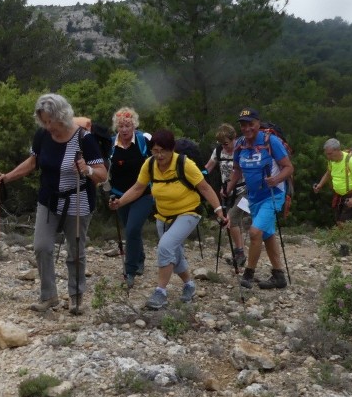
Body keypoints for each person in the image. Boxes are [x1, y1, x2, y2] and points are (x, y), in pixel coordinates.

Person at [0, 93, 107, 314]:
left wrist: (88, 170)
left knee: (75, 252)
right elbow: (32, 162)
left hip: (78, 200)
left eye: (50, 120)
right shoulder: (42, 136)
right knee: (42, 247)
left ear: (61, 116)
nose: (47, 125)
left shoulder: (85, 139)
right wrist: (7, 177)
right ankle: (49, 296)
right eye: (43, 120)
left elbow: (102, 175)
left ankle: (76, 297)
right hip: (49, 199)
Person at [109, 129, 228, 310]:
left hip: (188, 212)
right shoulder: (149, 165)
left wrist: (218, 210)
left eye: (163, 151)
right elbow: (138, 188)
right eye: (155, 151)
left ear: (172, 149)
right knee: (175, 252)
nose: (159, 155)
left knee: (165, 247)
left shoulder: (184, 164)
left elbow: (204, 187)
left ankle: (160, 292)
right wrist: (120, 202)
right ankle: (189, 285)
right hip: (163, 215)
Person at [223, 108, 294, 290]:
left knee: (255, 233)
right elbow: (237, 170)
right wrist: (229, 188)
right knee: (268, 235)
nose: (247, 128)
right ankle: (279, 276)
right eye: (243, 125)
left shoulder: (271, 141)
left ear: (258, 123)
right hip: (253, 197)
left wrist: (276, 180)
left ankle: (248, 274)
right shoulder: (240, 145)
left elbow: (288, 167)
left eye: (250, 124)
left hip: (273, 195)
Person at [107, 107, 154, 289]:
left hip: (143, 194)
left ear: (134, 125)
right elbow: (106, 169)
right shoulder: (111, 145)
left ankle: (130, 270)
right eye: (121, 126)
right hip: (120, 195)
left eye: (127, 125)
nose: (124, 130)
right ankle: (140, 258)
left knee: (132, 229)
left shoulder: (144, 141)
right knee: (131, 228)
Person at [205, 123, 249, 268]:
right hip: (227, 192)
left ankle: (240, 253)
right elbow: (208, 168)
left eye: (226, 143)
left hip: (245, 191)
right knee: (234, 222)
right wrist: (197, 178)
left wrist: (228, 188)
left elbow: (240, 172)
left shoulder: (242, 150)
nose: (224, 147)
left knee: (231, 218)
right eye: (221, 144)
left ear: (234, 138)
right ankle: (239, 254)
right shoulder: (218, 151)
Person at [314, 138, 352, 226]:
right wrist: (320, 185)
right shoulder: (331, 161)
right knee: (338, 220)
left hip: (351, 194)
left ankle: (351, 237)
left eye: (330, 154)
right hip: (338, 195)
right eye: (326, 154)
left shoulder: (350, 160)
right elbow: (328, 173)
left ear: (337, 150)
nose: (328, 156)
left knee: (344, 223)